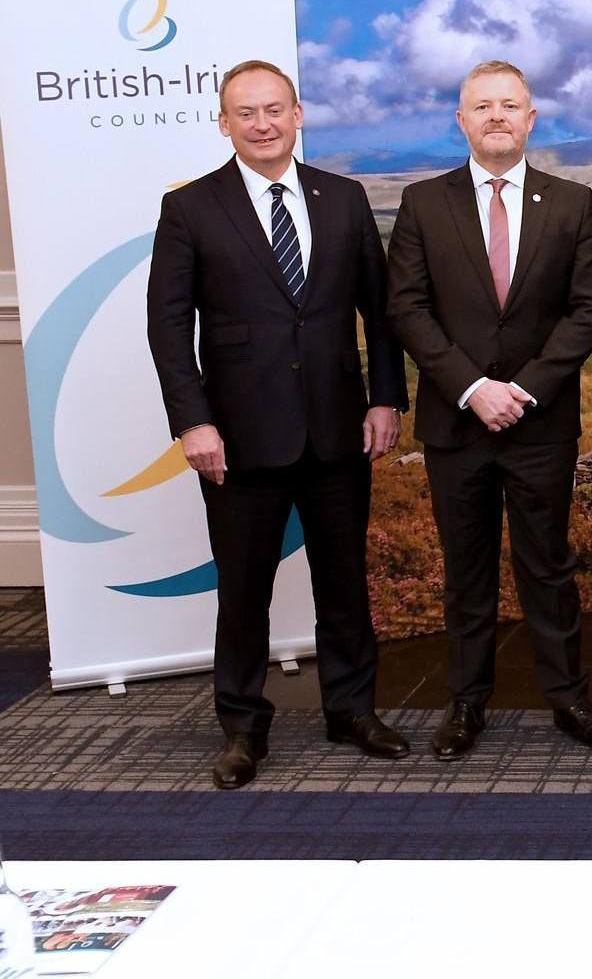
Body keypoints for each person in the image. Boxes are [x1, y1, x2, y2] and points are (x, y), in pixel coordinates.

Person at [146, 59, 410, 789]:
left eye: (274, 109)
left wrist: (386, 399)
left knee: (345, 583)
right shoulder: (191, 208)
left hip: (337, 430)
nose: (261, 124)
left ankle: (352, 712)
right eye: (245, 113)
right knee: (243, 589)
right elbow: (169, 329)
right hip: (237, 438)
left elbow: (379, 314)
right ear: (223, 122)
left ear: (299, 114)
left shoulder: (346, 199)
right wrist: (192, 424)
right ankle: (241, 728)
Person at [386, 60, 592, 760]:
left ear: (531, 119)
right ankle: (465, 705)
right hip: (456, 424)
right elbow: (407, 307)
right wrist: (471, 388)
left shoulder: (572, 202)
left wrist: (526, 388)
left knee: (548, 567)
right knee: (467, 570)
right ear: (461, 120)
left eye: (509, 106)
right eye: (481, 106)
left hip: (540, 422)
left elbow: (589, 309)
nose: (496, 116)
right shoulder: (423, 203)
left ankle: (569, 700)